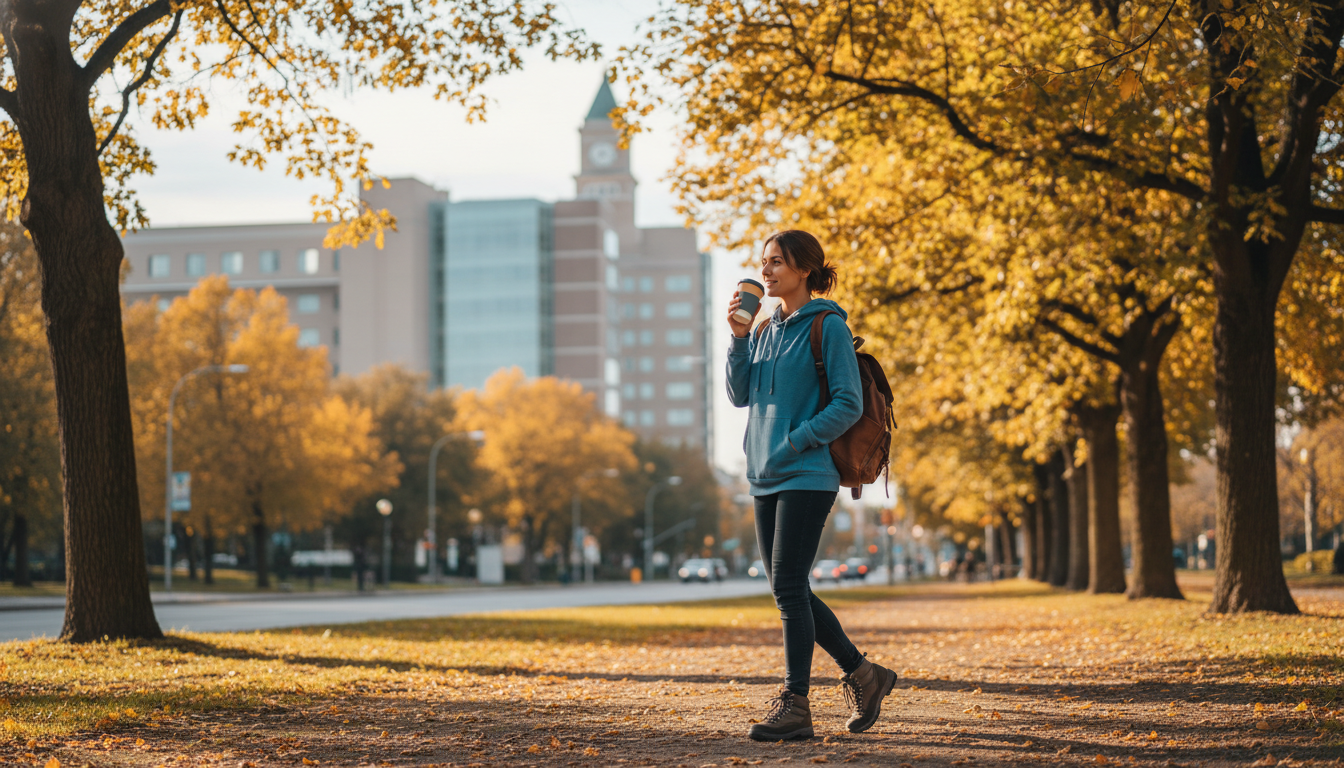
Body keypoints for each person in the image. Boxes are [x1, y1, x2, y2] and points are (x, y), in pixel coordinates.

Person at [726, 229, 898, 741]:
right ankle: (866, 675)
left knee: (787, 588)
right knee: (789, 588)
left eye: (778, 262)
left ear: (804, 270)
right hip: (764, 476)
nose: (768, 271)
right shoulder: (761, 332)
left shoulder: (828, 327)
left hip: (807, 473)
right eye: (764, 263)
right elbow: (739, 396)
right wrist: (737, 338)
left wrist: (799, 440)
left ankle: (795, 703)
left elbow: (847, 403)